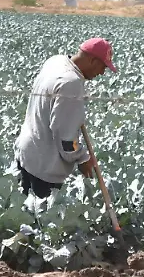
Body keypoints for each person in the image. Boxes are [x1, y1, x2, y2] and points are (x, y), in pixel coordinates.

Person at [14, 37, 117, 199]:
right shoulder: (71, 83)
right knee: (41, 212)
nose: (102, 73)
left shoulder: (56, 61)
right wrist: (82, 158)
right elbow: (66, 139)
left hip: (27, 151)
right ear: (92, 60)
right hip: (44, 166)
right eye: (103, 67)